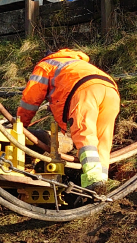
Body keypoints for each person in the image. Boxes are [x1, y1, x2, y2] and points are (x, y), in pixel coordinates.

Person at [16, 49, 120, 193]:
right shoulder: (76, 64)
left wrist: (19, 126)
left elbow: (30, 100)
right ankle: (101, 183)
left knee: (85, 135)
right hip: (111, 91)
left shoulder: (45, 65)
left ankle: (93, 180)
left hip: (85, 91)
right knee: (103, 140)